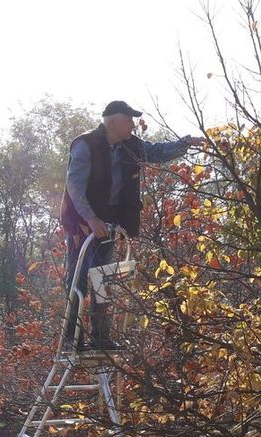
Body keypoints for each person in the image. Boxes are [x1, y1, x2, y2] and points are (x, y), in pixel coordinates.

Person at [60, 100, 203, 351]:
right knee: (78, 280)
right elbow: (74, 188)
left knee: (101, 280)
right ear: (113, 122)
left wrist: (184, 144)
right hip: (82, 226)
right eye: (128, 120)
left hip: (107, 226)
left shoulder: (129, 145)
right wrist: (91, 219)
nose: (133, 126)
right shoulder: (85, 144)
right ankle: (72, 340)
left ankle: (101, 337)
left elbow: (156, 152)